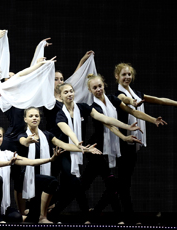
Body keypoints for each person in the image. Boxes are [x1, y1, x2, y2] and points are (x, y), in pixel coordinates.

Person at [112, 63, 177, 224]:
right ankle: (126, 217)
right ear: (117, 76)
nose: (127, 77)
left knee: (123, 182)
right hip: (124, 141)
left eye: (129, 74)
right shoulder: (117, 94)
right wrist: (133, 102)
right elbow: (125, 99)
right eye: (124, 74)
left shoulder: (137, 94)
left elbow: (160, 100)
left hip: (133, 142)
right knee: (123, 182)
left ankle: (117, 215)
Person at [76, 73, 166, 224]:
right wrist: (124, 136)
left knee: (86, 184)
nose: (98, 89)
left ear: (103, 85)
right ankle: (106, 217)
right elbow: (109, 123)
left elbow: (132, 111)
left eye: (100, 86)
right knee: (110, 184)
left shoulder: (112, 99)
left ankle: (93, 215)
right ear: (90, 90)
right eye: (95, 88)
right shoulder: (92, 106)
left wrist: (152, 120)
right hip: (97, 149)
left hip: (109, 148)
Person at [47, 82, 141, 222]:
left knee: (75, 186)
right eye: (65, 92)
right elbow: (67, 130)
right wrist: (78, 143)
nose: (69, 94)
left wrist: (127, 126)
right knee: (74, 183)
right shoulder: (60, 114)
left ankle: (58, 213)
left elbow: (105, 118)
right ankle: (75, 215)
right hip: (64, 151)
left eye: (71, 91)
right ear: (60, 96)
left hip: (81, 149)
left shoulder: (83, 108)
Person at [18, 107, 102, 223]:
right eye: (31, 116)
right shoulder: (22, 135)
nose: (34, 118)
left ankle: (38, 214)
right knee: (52, 182)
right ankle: (43, 217)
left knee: (32, 217)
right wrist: (27, 141)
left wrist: (84, 149)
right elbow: (23, 141)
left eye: (36, 116)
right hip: (28, 177)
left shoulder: (46, 135)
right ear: (25, 119)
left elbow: (64, 145)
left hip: (43, 177)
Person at [0, 125, 68, 223]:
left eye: (0, 136)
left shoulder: (7, 154)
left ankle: (1, 217)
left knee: (16, 218)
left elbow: (30, 162)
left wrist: (50, 159)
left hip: (3, 206)